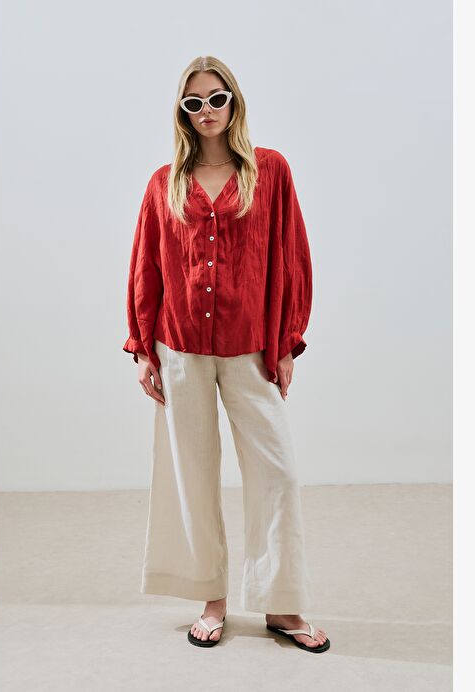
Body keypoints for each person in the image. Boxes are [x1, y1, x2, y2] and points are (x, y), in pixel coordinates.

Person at [123, 56, 330, 653]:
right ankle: (210, 599)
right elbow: (146, 265)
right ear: (182, 112)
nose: (207, 110)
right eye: (194, 102)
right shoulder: (164, 183)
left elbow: (291, 255)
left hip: (250, 346)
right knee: (192, 475)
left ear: (234, 101)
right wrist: (142, 348)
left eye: (217, 97)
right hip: (180, 346)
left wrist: (287, 342)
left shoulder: (270, 170)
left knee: (277, 472)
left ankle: (281, 604)